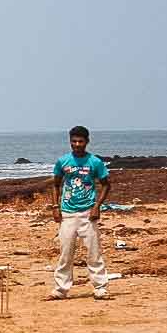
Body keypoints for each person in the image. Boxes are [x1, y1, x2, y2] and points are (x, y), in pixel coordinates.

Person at [48, 125, 111, 300]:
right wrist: (55, 207)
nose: (77, 144)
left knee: (93, 252)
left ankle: (100, 287)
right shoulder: (63, 162)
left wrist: (97, 205)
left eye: (80, 141)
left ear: (87, 142)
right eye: (74, 141)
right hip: (67, 213)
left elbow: (106, 184)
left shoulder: (95, 162)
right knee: (65, 253)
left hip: (87, 213)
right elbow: (55, 184)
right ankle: (61, 289)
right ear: (70, 142)